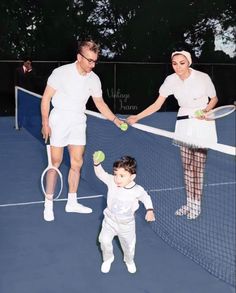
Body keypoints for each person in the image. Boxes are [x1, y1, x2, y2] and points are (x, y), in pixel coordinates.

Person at [127, 50, 218, 220]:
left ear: (189, 62)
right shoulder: (170, 80)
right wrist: (137, 117)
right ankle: (189, 202)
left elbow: (214, 98)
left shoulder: (203, 77)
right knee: (187, 167)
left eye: (182, 63)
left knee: (198, 167)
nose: (178, 67)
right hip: (183, 121)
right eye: (174, 63)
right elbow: (157, 104)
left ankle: (196, 204)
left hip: (202, 122)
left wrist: (205, 111)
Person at [41, 39, 124, 222]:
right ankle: (49, 203)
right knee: (55, 163)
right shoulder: (60, 73)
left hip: (79, 120)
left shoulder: (94, 79)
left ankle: (72, 202)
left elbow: (100, 103)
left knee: (77, 163)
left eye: (95, 61)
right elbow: (46, 98)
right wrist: (45, 122)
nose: (92, 64)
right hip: (59, 119)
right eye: (89, 60)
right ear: (79, 57)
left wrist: (115, 120)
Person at [93, 155, 155, 273]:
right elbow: (101, 174)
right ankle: (108, 258)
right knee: (103, 240)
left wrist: (150, 210)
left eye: (122, 176)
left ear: (132, 177)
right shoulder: (112, 181)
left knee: (128, 246)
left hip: (126, 225)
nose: (117, 179)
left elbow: (146, 198)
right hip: (109, 221)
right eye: (115, 174)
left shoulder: (137, 190)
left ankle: (129, 260)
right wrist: (97, 164)